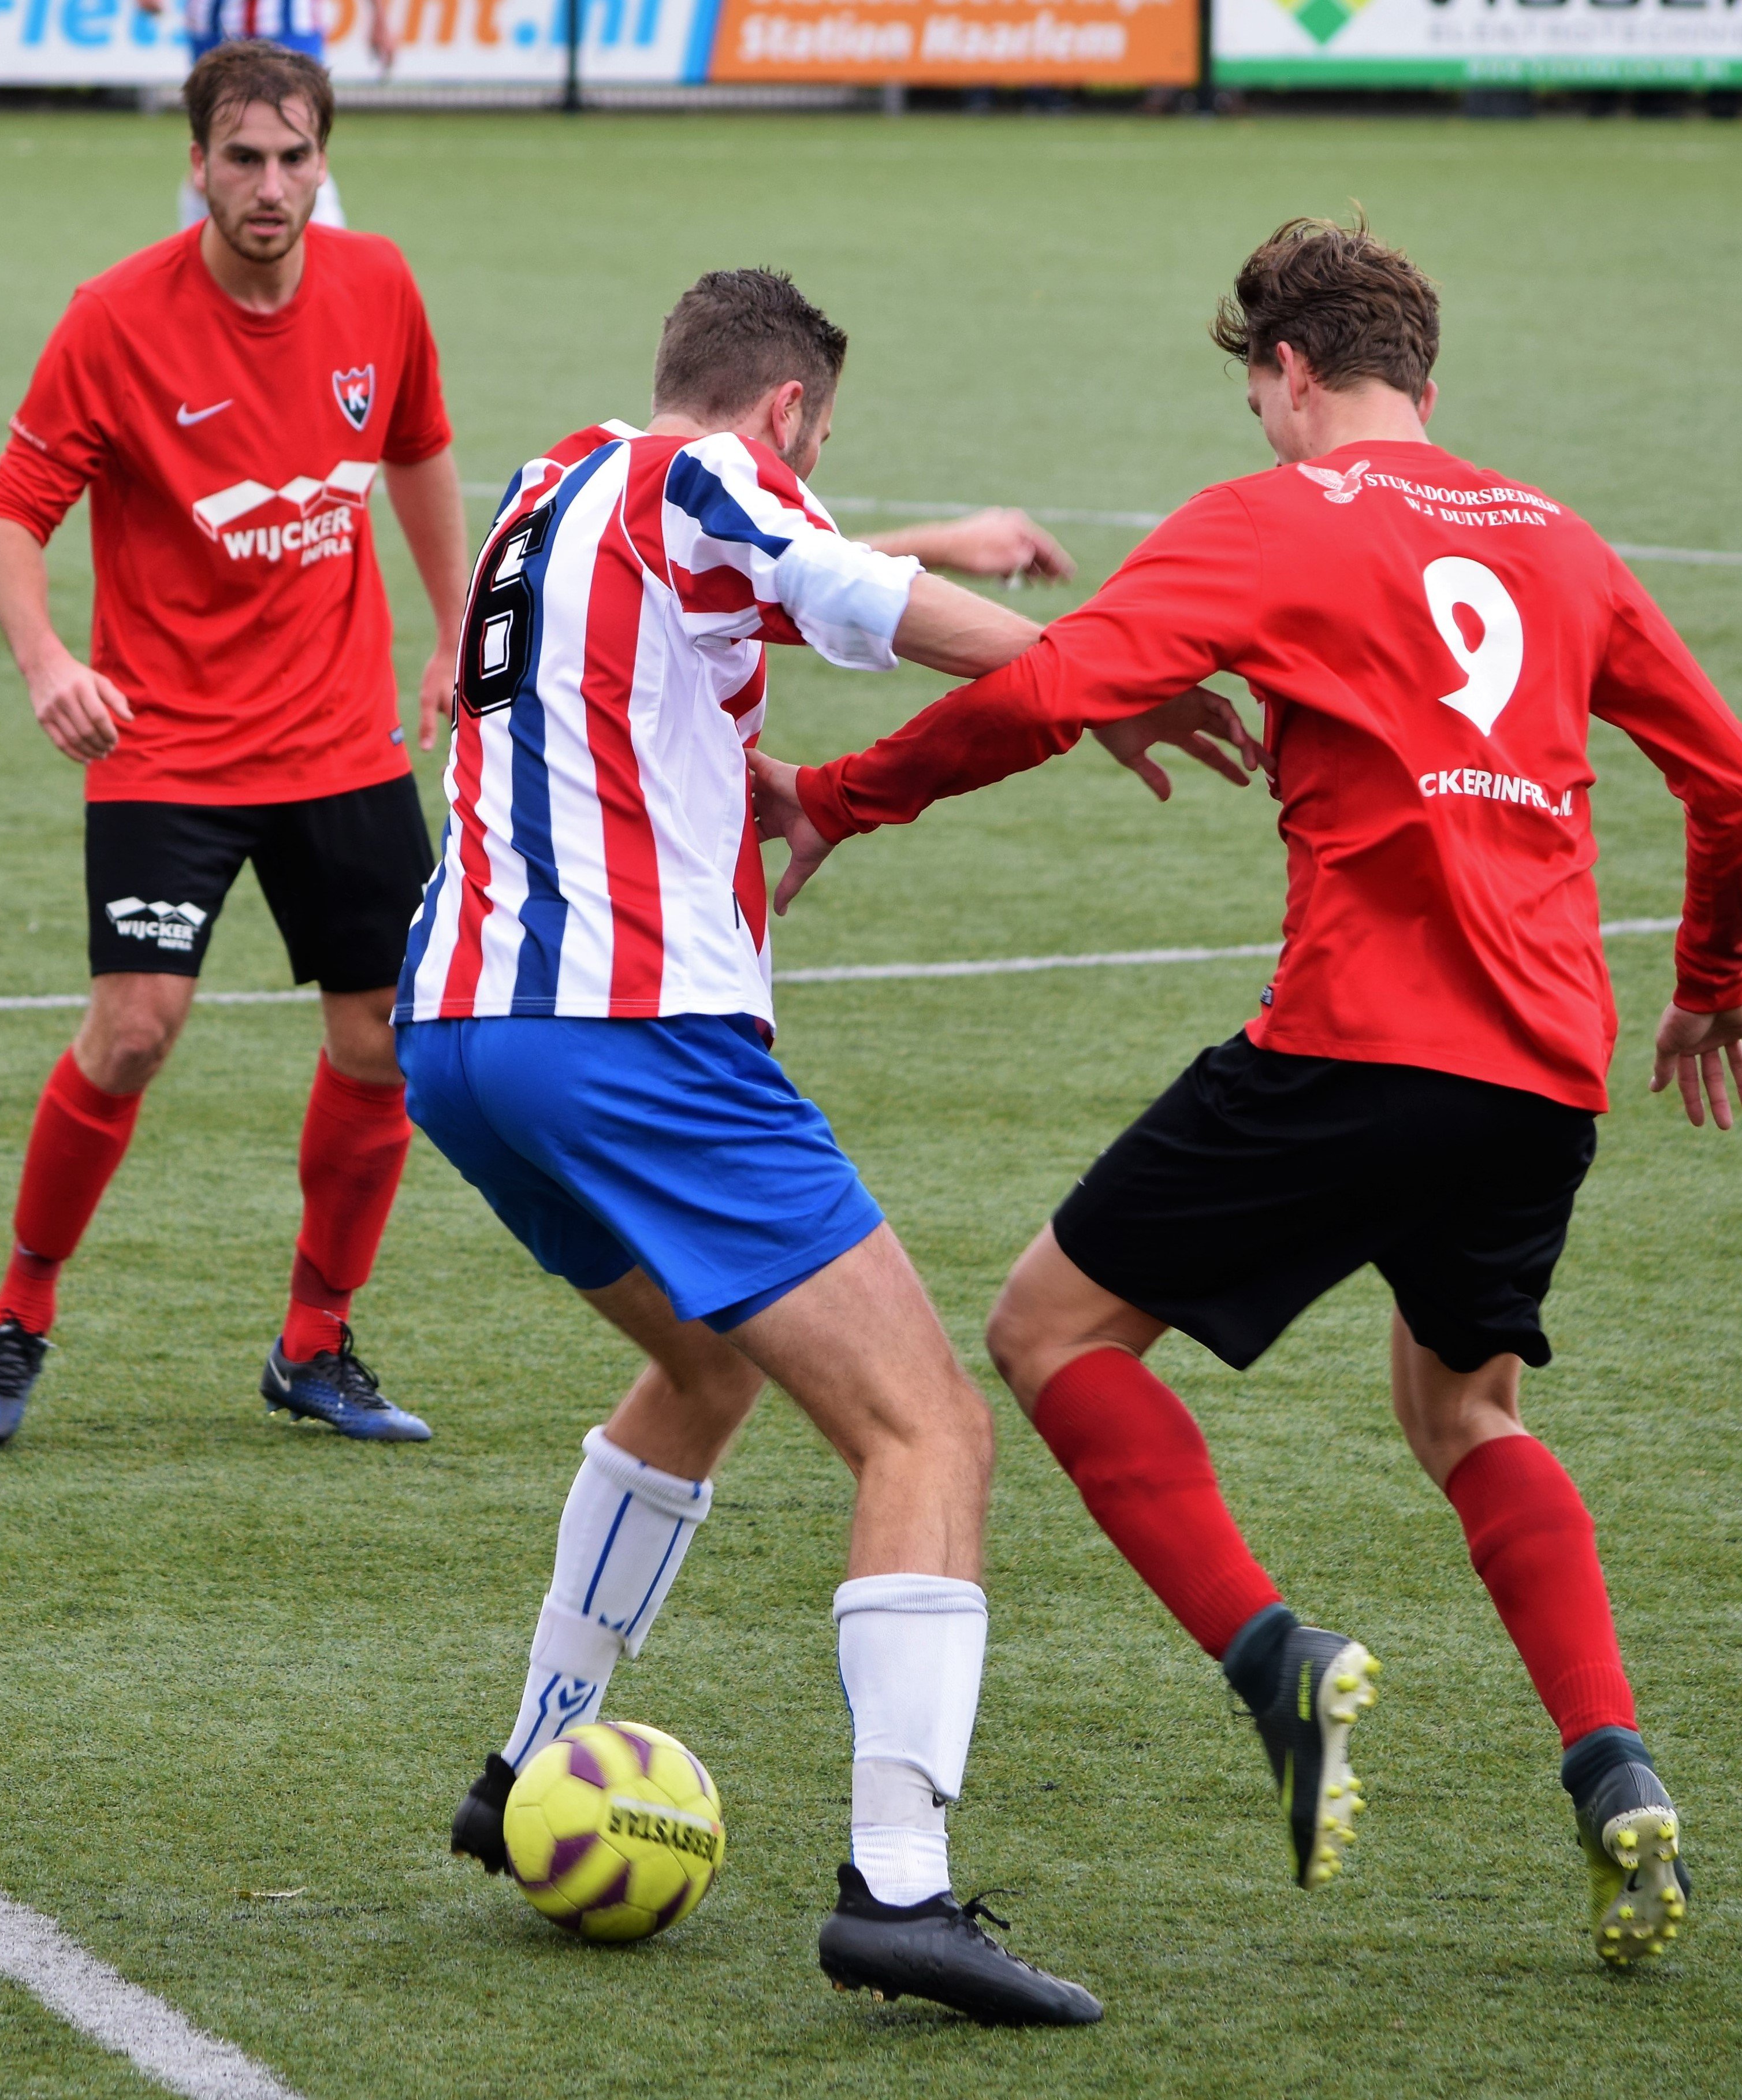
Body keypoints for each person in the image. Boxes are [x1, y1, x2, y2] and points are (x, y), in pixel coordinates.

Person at [753, 217, 1742, 1970]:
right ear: (1426, 380)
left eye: (1257, 388)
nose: (1257, 421)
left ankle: (1273, 1656)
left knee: (1044, 1331)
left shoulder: (1271, 519)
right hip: (1539, 1074)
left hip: (1352, 1043)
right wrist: (1709, 982)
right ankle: (1613, 1764)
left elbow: (1055, 682)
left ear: (1288, 371)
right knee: (1465, 1414)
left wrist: (843, 796)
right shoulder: (1552, 537)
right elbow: (1737, 783)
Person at [412, 268, 1259, 2023]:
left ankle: (524, 1769)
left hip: (463, 1038)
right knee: (926, 1419)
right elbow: (832, 578)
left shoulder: (546, 489)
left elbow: (693, 633)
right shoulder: (712, 478)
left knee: (704, 1371)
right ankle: (900, 1887)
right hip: (631, 1035)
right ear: (785, 412)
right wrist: (1099, 674)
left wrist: (785, 752)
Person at [0, 40, 468, 1447]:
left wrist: (444, 629)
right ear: (194, 165)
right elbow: (10, 513)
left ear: (322, 164)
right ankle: (19, 1314)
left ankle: (315, 1343)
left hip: (340, 736)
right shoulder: (115, 318)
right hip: (165, 744)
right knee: (134, 1028)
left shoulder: (380, 286)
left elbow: (416, 448)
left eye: (294, 158)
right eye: (240, 158)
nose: (269, 186)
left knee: (383, 1043)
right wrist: (48, 658)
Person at [143, 12, 392, 231]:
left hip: (294, 21)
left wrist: (380, 18)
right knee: (219, 141)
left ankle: (331, 246)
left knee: (297, 137)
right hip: (215, 20)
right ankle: (196, 255)